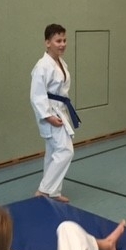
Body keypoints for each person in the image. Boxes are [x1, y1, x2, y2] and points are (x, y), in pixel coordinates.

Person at [30, 23, 79, 203]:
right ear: (47, 43)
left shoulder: (60, 63)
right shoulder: (42, 66)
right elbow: (36, 95)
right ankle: (43, 191)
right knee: (65, 151)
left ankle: (54, 192)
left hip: (59, 110)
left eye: (64, 40)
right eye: (58, 41)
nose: (62, 44)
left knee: (53, 153)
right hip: (50, 112)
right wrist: (48, 116)